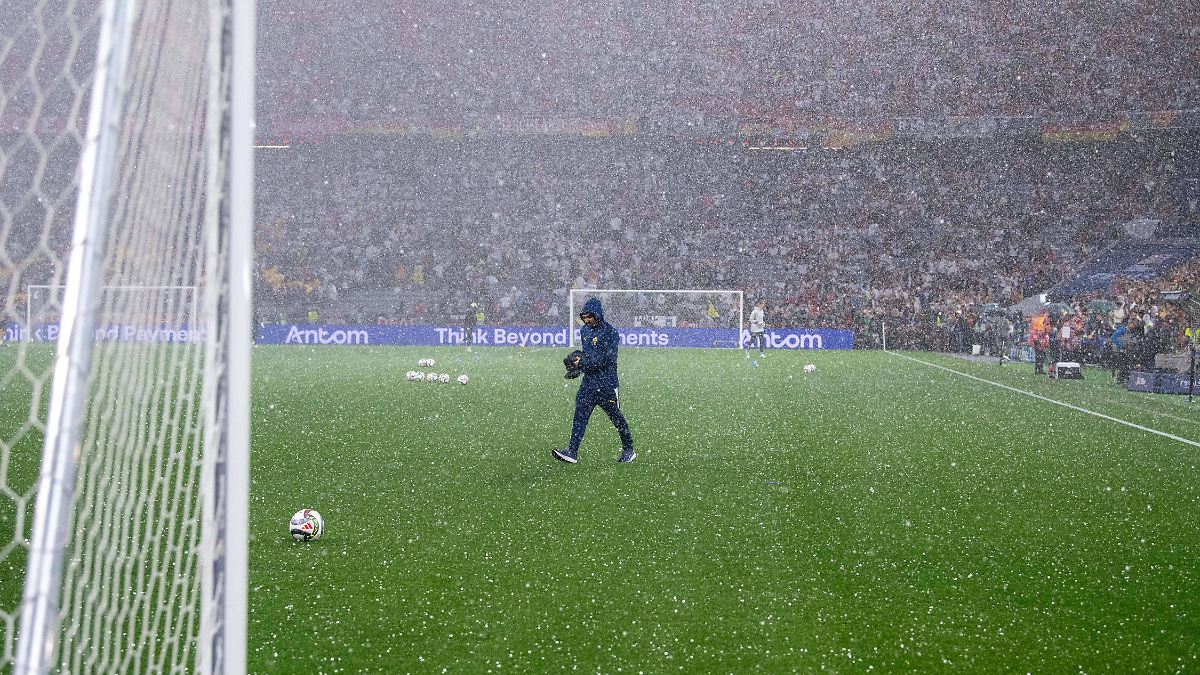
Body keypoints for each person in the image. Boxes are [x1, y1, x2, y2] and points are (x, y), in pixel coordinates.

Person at [553, 297, 636, 464]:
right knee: (580, 416)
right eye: (584, 317)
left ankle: (629, 449)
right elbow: (589, 355)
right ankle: (572, 452)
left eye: (590, 317)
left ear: (598, 315)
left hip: (607, 384)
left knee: (616, 418)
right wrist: (578, 365)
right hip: (589, 383)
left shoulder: (610, 333)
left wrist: (582, 363)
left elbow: (607, 359)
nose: (587, 320)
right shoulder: (584, 331)